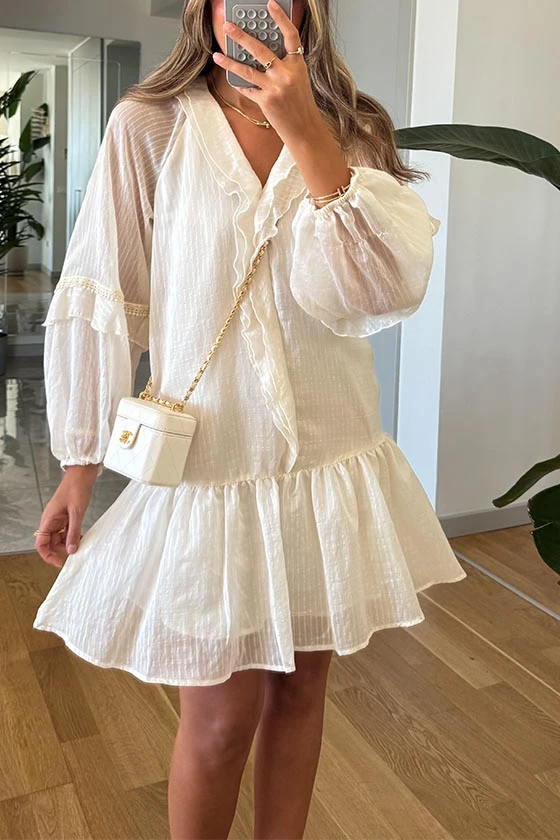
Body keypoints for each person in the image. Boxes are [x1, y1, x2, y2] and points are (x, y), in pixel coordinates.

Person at [32, 0, 467, 836]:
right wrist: (79, 465)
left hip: (325, 458)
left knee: (301, 693)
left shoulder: (353, 129)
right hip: (212, 467)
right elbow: (107, 292)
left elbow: (378, 293)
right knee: (220, 719)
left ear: (306, 8)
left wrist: (306, 132)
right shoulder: (149, 124)